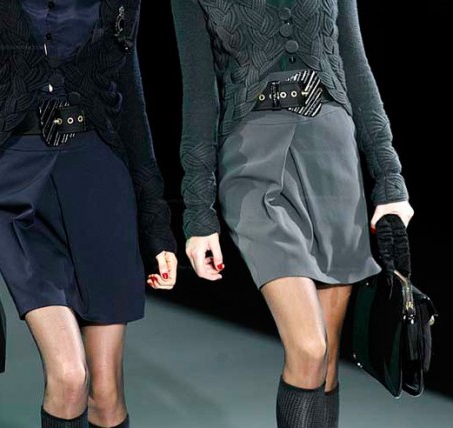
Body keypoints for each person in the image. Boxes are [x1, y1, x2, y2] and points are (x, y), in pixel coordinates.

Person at [171, 0, 414, 426]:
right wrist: (198, 213)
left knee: (327, 358)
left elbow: (355, 66)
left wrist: (390, 179)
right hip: (252, 161)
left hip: (333, 155)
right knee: (309, 347)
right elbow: (198, 94)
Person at [0, 1, 177, 427]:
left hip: (100, 183)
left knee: (106, 395)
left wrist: (156, 227)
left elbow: (132, 107)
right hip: (16, 192)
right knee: (70, 376)